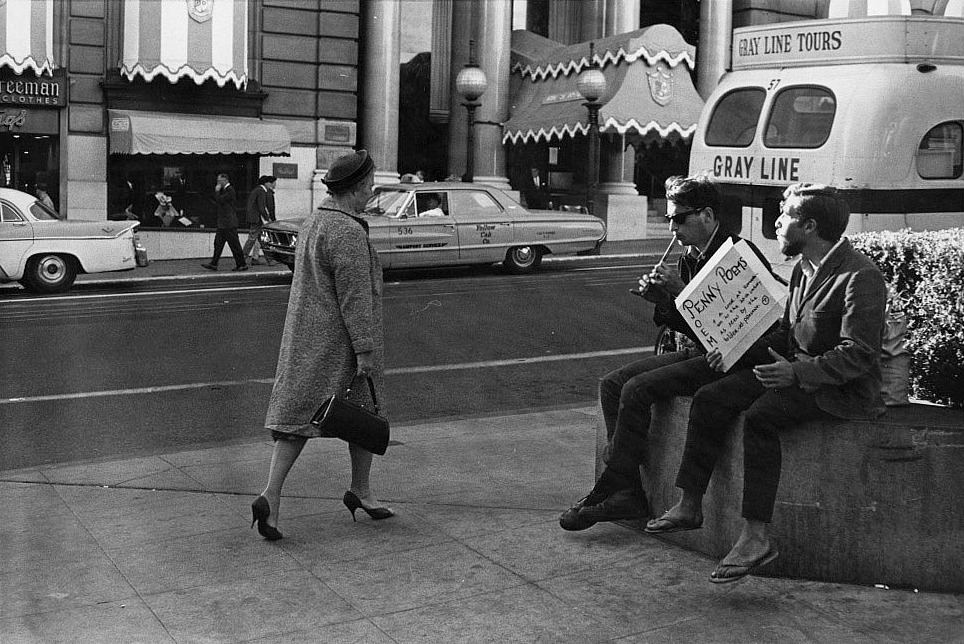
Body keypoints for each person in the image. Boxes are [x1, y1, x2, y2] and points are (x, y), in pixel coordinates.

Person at [655, 183, 886, 583]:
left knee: (761, 417)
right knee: (710, 397)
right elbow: (785, 335)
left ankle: (756, 537)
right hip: (795, 372)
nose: (776, 223)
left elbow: (859, 354)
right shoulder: (802, 269)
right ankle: (690, 504)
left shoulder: (860, 276)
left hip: (842, 391)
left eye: (785, 216)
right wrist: (732, 349)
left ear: (810, 227)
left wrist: (797, 373)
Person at [559, 174, 773, 531]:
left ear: (706, 215)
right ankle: (625, 488)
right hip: (700, 350)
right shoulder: (689, 257)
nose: (673, 229)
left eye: (679, 219)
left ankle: (614, 485)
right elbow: (689, 325)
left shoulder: (737, 255)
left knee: (637, 389)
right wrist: (662, 300)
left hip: (731, 358)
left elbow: (738, 326)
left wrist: (682, 290)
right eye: (670, 219)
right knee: (612, 384)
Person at [251, 150, 393, 541]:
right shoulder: (347, 231)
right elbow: (355, 297)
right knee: (337, 413)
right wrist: (364, 348)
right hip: (338, 343)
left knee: (314, 415)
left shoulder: (315, 221)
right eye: (369, 186)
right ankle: (278, 495)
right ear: (355, 188)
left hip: (306, 337)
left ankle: (348, 490)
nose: (371, 192)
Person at [201, 173, 247, 271]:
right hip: (223, 223)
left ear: (225, 180)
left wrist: (217, 191)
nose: (217, 183)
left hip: (229, 223)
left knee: (234, 245)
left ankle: (242, 264)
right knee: (218, 244)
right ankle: (214, 263)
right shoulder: (226, 190)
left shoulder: (230, 190)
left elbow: (221, 200)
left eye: (219, 181)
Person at [242, 175, 277, 266]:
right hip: (257, 219)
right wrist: (267, 218)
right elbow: (261, 207)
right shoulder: (261, 191)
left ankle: (267, 259)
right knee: (253, 239)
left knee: (262, 239)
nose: (271, 185)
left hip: (255, 218)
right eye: (269, 183)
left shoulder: (256, 190)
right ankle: (242, 258)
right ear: (265, 183)